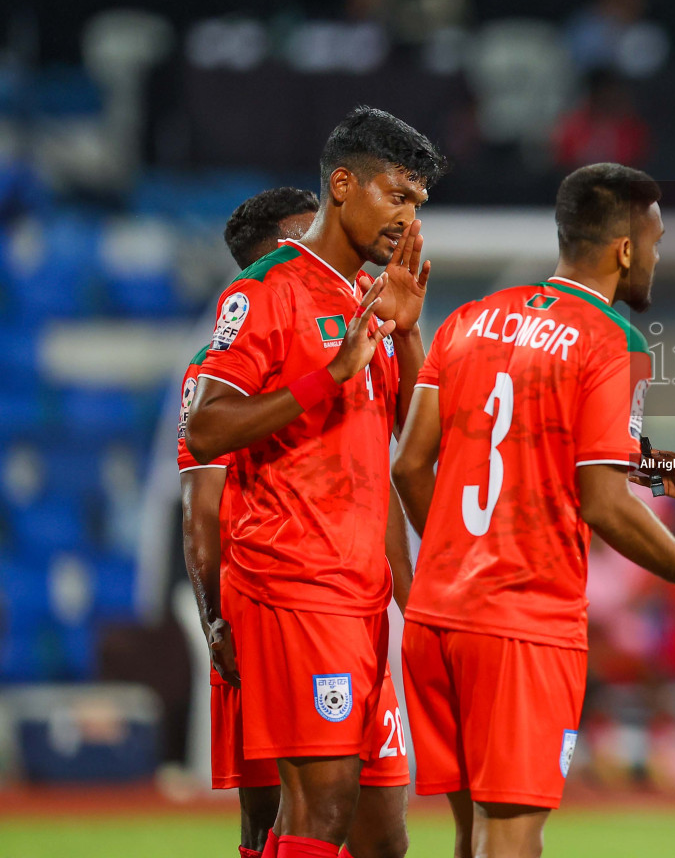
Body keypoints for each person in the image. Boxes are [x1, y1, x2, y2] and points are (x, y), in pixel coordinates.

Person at [389, 163, 675, 858]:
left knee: (469, 833)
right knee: (510, 839)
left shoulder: (468, 320)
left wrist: (459, 550)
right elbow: (603, 501)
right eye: (653, 241)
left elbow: (410, 464)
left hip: (438, 618)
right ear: (626, 247)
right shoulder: (612, 341)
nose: (656, 257)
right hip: (523, 623)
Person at [185, 105, 445, 858]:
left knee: (382, 832)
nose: (408, 216)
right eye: (397, 195)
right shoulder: (265, 292)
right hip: (295, 583)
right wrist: (329, 374)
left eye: (418, 202)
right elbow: (208, 426)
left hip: (361, 596)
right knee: (320, 808)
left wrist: (409, 331)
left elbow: (416, 441)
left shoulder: (369, 297)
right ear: (342, 185)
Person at [178, 187, 317, 858]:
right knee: (268, 812)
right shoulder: (216, 373)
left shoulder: (334, 338)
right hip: (258, 601)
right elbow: (201, 506)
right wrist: (214, 620)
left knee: (344, 801)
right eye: (306, 236)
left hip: (335, 598)